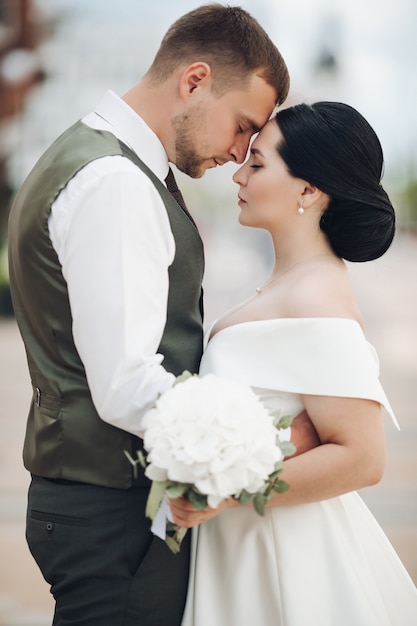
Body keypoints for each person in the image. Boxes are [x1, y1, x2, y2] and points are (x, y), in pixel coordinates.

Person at [7, 4, 320, 625]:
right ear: (195, 80)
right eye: (241, 126)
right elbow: (126, 385)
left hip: (95, 504)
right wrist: (271, 442)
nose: (239, 154)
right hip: (111, 514)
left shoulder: (101, 160)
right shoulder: (115, 182)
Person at [170, 101, 417, 625]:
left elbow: (363, 458)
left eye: (257, 164)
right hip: (250, 542)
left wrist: (229, 492)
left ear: (308, 190)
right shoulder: (294, 288)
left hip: (284, 552)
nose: (238, 172)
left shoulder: (315, 299)